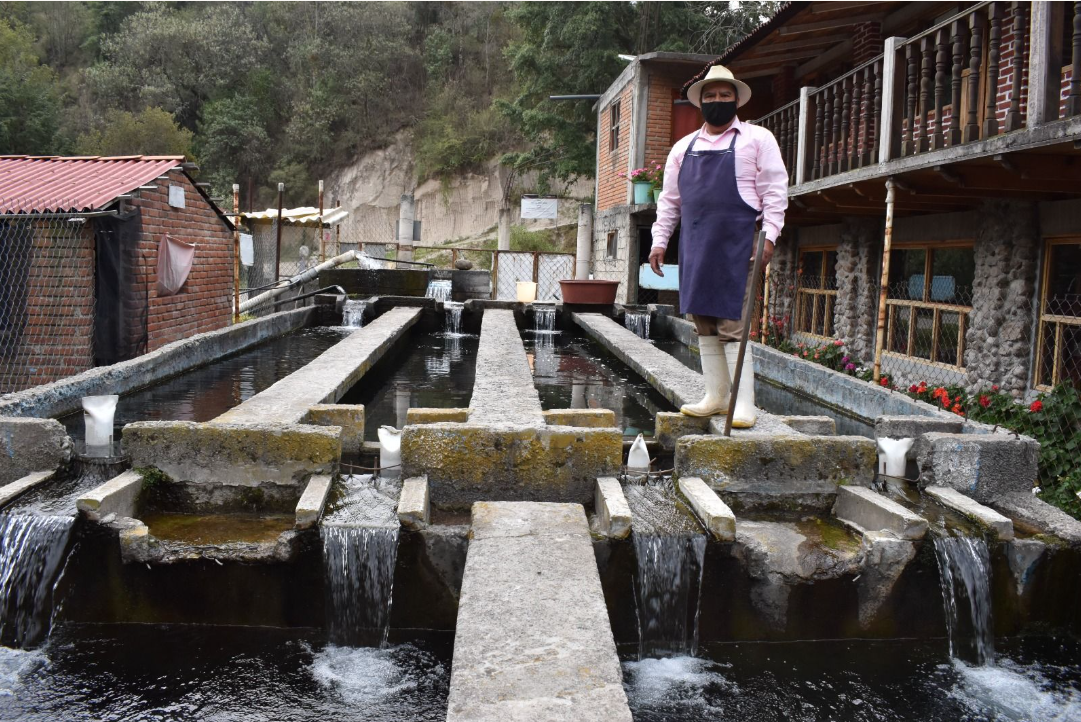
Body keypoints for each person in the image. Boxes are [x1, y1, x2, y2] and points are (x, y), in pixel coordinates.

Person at [649, 62, 788, 428]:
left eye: (724, 95)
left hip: (738, 242)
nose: (717, 100)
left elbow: (775, 191)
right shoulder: (682, 148)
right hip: (696, 243)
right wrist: (660, 241)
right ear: (700, 103)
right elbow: (670, 201)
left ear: (736, 100)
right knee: (703, 321)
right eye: (710, 95)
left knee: (732, 323)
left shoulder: (758, 140)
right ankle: (715, 396)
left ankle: (744, 404)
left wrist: (769, 236)